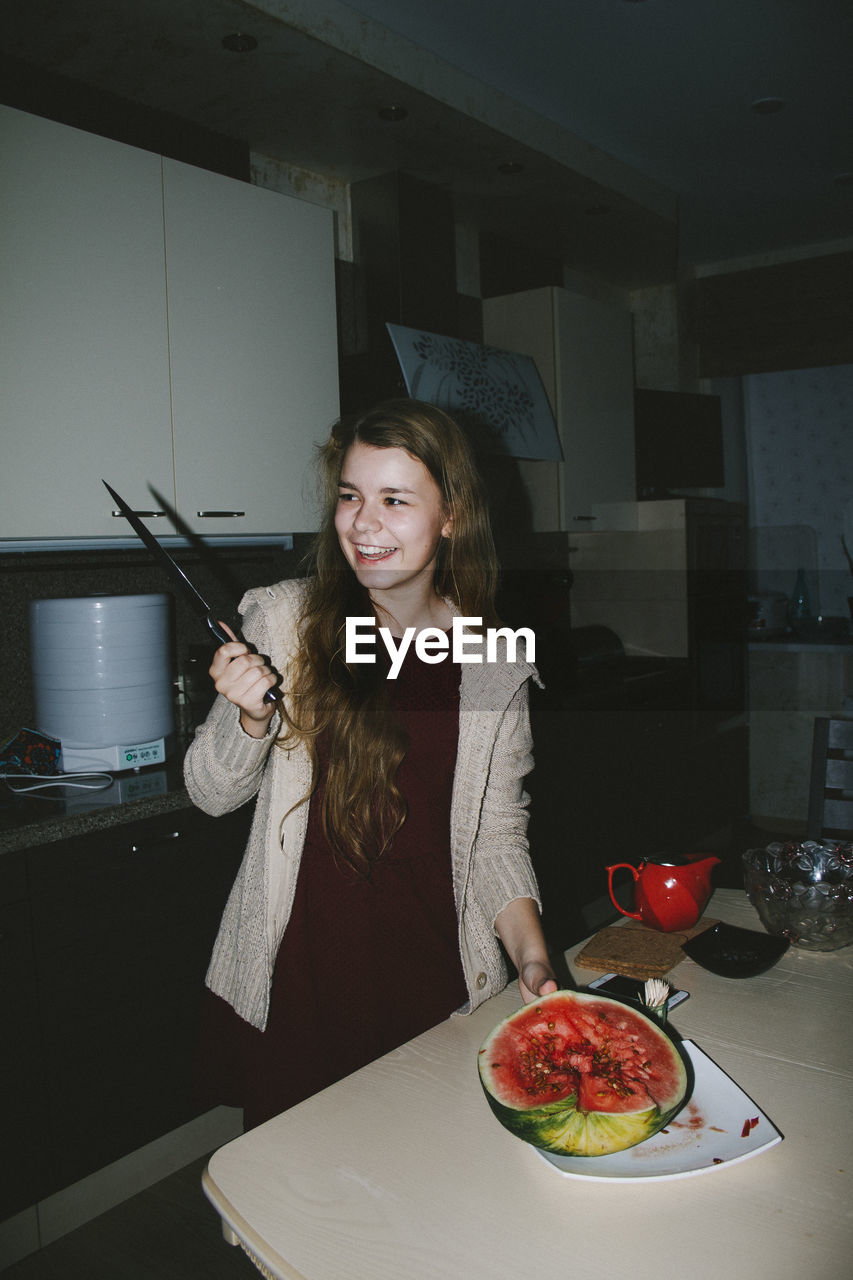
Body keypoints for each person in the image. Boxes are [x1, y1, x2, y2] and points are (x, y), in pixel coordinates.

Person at [184, 398, 557, 1129]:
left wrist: (534, 959)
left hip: (432, 978)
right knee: (287, 1206)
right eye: (351, 497)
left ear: (450, 516)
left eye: (394, 500)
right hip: (303, 983)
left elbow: (497, 838)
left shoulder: (493, 665)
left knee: (421, 1197)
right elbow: (210, 793)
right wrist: (249, 716)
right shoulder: (284, 622)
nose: (362, 522)